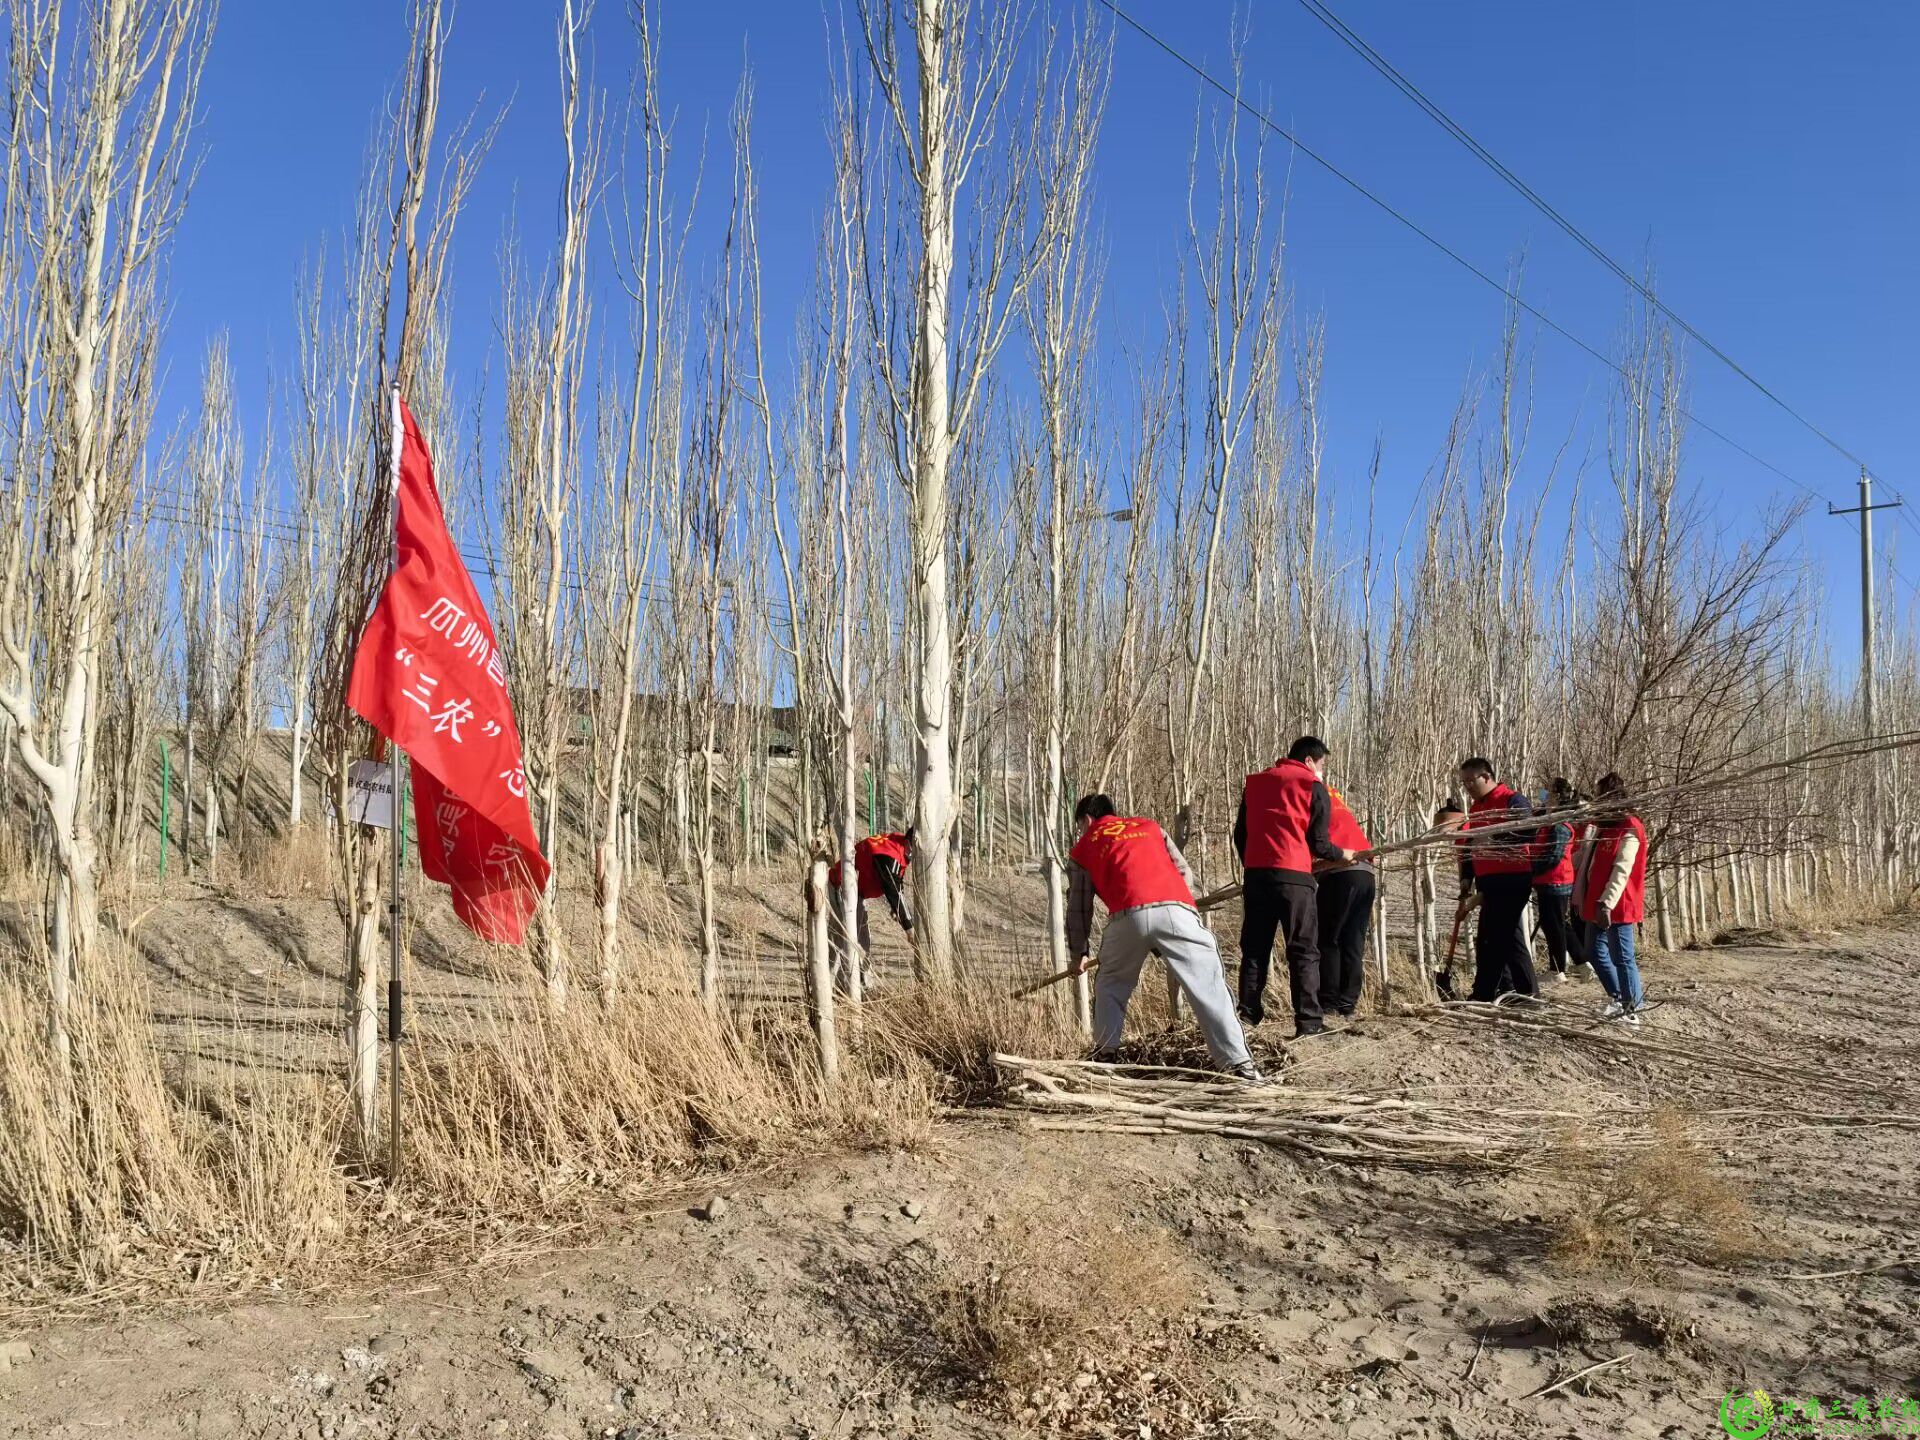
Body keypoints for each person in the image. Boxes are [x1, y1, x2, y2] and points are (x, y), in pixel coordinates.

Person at [1064, 795, 1263, 1081]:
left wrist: (1079, 952)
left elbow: (1078, 906)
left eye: (1081, 826)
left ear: (1086, 820)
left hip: (1125, 917)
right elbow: (1183, 870)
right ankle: (1239, 1066)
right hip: (1176, 909)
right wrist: (1180, 909)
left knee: (1110, 985)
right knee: (1209, 987)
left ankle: (1105, 1058)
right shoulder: (1150, 827)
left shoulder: (1083, 847)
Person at [1234, 736, 1359, 1038]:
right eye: (1322, 765)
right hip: (1294, 878)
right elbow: (1318, 842)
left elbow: (1240, 834)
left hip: (1256, 876)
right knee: (1303, 950)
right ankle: (1308, 1022)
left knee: (1254, 949)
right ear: (1308, 761)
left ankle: (1247, 1016)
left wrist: (1252, 862)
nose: (1322, 771)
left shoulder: (1255, 783)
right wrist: (1343, 855)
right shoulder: (1312, 786)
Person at [1456, 757, 1539, 1002]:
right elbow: (1471, 843)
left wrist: (1494, 841)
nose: (1468, 786)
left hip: (1512, 878)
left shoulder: (1512, 800)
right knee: (1499, 939)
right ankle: (1519, 993)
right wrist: (1466, 879)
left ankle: (1486, 995)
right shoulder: (1477, 807)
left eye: (1472, 780)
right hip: (1488, 882)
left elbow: (1529, 830)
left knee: (1498, 940)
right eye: (1464, 782)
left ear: (1487, 776)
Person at [1573, 772, 1648, 1025]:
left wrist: (1607, 902)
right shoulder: (1603, 826)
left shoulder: (1630, 827)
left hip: (1617, 903)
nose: (1595, 800)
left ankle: (1632, 1009)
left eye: (1599, 795)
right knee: (1593, 951)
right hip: (1597, 902)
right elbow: (1588, 860)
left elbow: (1622, 868)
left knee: (1623, 957)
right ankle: (1618, 998)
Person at [1315, 779, 1375, 1020]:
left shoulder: (1310, 794)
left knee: (1328, 939)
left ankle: (1329, 1003)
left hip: (1340, 871)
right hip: (1365, 872)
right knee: (1353, 940)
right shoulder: (1332, 794)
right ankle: (1348, 1004)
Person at [828, 828, 914, 992]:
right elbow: (893, 890)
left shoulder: (899, 844)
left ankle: (863, 986)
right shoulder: (888, 855)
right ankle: (837, 988)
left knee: (862, 940)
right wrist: (909, 927)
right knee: (844, 937)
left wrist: (895, 909)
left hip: (856, 891)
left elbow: (896, 880)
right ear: (914, 841)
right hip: (841, 886)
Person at [1529, 778, 1578, 982]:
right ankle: (1574, 963)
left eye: (1548, 794)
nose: (1544, 796)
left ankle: (1557, 969)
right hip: (1547, 881)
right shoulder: (1549, 821)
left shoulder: (1560, 826)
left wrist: (1531, 871)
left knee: (1555, 926)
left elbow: (1553, 856)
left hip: (1556, 881)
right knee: (1553, 925)